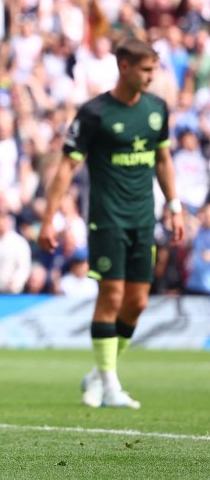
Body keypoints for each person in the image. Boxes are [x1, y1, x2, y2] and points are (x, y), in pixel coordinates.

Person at [38, 38, 185, 410]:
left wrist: (175, 205)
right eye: (146, 70)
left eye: (154, 69)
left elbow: (163, 160)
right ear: (124, 67)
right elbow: (67, 166)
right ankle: (111, 386)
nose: (152, 77)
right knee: (112, 296)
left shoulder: (156, 110)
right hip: (107, 220)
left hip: (143, 219)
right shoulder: (94, 112)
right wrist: (49, 218)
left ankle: (99, 375)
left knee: (135, 303)